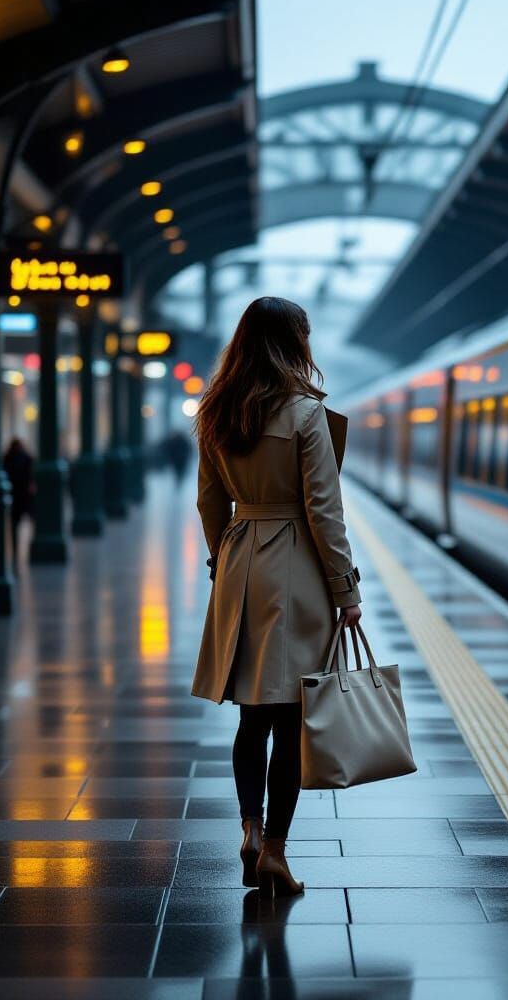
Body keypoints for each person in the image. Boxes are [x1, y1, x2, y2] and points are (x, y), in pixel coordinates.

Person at [190, 297, 362, 898]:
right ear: (295, 343)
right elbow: (323, 511)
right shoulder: (304, 414)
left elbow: (210, 501)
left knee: (250, 715)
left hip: (240, 558)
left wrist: (224, 559)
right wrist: (346, 590)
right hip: (296, 571)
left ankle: (248, 826)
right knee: (291, 722)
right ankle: (274, 852)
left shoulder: (216, 412)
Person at [2, 438, 34, 565]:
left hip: (14, 497)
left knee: (14, 525)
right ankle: (30, 547)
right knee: (31, 521)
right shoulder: (27, 458)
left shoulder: (7, 458)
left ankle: (15, 552)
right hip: (25, 497)